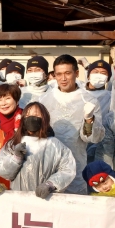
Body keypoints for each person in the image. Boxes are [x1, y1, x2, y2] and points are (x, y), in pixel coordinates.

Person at [38, 55, 104, 195]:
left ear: (76, 73)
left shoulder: (89, 100)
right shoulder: (44, 100)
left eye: (67, 73)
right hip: (48, 162)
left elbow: (93, 138)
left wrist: (89, 120)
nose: (63, 78)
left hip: (76, 162)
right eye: (59, 74)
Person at [0, 102, 76, 197]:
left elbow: (68, 170)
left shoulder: (56, 145)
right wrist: (15, 158)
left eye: (36, 115)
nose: (31, 118)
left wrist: (50, 184)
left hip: (45, 198)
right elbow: (1, 170)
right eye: (27, 115)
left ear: (44, 118)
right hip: (18, 198)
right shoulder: (14, 143)